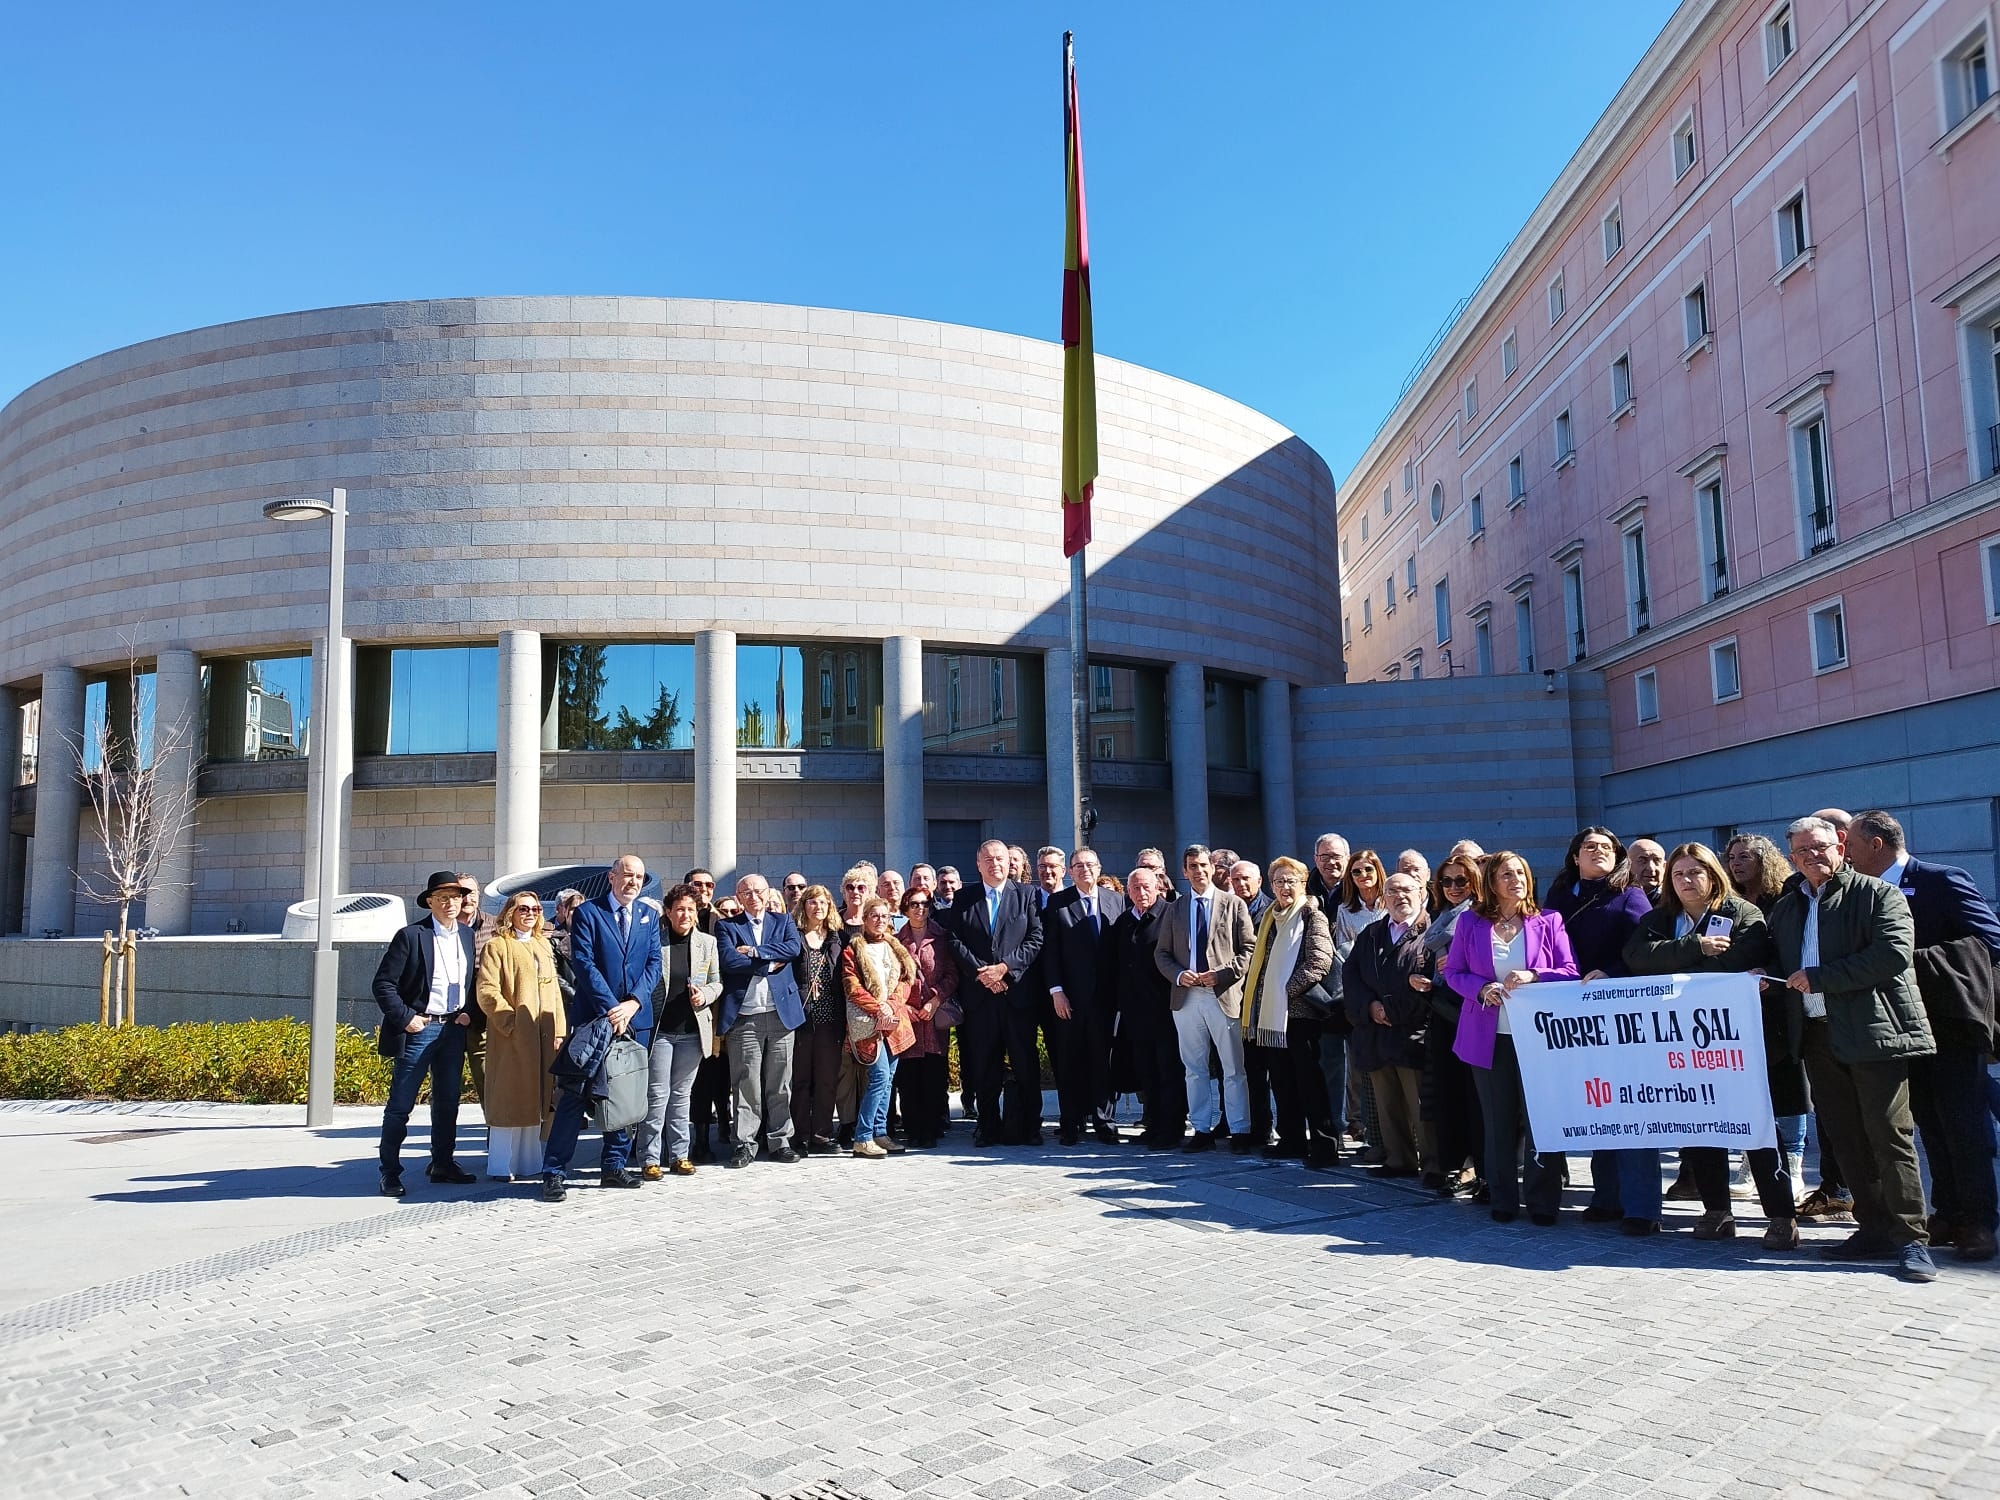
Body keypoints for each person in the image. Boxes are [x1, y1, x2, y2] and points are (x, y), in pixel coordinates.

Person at [1768, 815, 1937, 1283]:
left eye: (1820, 846)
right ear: (1791, 859)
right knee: (1845, 1140)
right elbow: (1779, 961)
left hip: (1874, 1032)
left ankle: (1911, 1239)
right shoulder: (1788, 906)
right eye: (1801, 852)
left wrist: (1821, 978)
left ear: (1840, 845)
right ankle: (1874, 1229)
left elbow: (1892, 954)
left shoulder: (1878, 894)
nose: (1812, 856)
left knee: (1889, 1135)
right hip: (1818, 1038)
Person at [1847, 809, 2000, 1262]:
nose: (1846, 856)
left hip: (1949, 1023)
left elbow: (1989, 940)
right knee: (1930, 1122)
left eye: (1851, 847)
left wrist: (1910, 960)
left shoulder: (1940, 880)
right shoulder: (1861, 893)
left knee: (1965, 1122)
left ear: (1876, 845)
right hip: (1899, 1026)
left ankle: (1980, 1221)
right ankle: (1948, 1211)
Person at [1623, 842, 1795, 1243]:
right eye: (1679, 873)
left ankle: (1782, 1215)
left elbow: (1738, 960)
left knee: (1757, 1127)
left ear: (1713, 874)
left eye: (1695, 872)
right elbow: (1636, 957)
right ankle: (1717, 1211)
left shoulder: (1742, 914)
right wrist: (1694, 947)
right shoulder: (1660, 918)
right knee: (1699, 1125)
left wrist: (1678, 967)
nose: (1686, 880)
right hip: (1682, 1045)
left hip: (1737, 1043)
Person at [1442, 851, 1578, 1225]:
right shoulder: (1470, 922)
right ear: (1491, 882)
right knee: (1497, 1121)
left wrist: (1535, 976)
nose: (1516, 879)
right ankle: (1502, 1198)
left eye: (1521, 872)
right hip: (1487, 1036)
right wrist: (1482, 987)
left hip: (1538, 1039)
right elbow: (1454, 973)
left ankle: (1544, 1201)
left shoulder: (1548, 920)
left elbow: (1570, 971)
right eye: (1506, 873)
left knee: (1540, 1121)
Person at [1544, 828, 1654, 1232]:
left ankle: (1642, 1207)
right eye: (1589, 847)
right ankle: (1607, 1197)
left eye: (1607, 848)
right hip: (1576, 1017)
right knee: (1600, 1102)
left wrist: (1612, 974)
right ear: (1575, 857)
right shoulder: (1558, 897)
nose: (1598, 852)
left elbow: (1647, 950)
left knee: (1632, 1106)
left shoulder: (1630, 895)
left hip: (1622, 1013)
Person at [540, 854, 662, 1201]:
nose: (633, 882)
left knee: (624, 1094)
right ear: (611, 877)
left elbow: (654, 964)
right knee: (574, 1097)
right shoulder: (589, 913)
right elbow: (585, 963)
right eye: (626, 875)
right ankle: (554, 1172)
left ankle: (613, 1166)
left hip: (634, 1019)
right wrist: (612, 1008)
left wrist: (633, 1003)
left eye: (639, 876)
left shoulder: (648, 916)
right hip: (595, 1019)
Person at [371, 871, 481, 1197]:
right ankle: (389, 1172)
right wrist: (406, 1018)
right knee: (400, 1105)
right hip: (420, 1029)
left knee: (447, 1103)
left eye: (456, 897)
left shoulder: (466, 935)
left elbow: (470, 983)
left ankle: (442, 1163)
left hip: (452, 1029)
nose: (450, 903)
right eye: (443, 898)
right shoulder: (411, 935)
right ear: (430, 901)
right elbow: (383, 984)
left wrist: (469, 1013)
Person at [937, 837, 1045, 1144]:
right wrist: (982, 972)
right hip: (980, 997)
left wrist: (1005, 969)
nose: (995, 864)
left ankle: (1030, 1126)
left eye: (1000, 858)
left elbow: (1035, 938)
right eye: (988, 859)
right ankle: (987, 1125)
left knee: (1025, 1064)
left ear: (1009, 863)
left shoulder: (1027, 895)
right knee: (985, 1066)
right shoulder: (964, 897)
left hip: (1017, 995)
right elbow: (955, 940)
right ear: (978, 864)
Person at [1154, 844, 1258, 1153]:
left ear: (1212, 869)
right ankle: (1200, 1128)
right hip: (1186, 997)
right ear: (1184, 872)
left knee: (1233, 1068)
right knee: (1194, 1068)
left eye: (1203, 865)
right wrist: (1178, 974)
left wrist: (1223, 974)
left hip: (1222, 995)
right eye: (1192, 867)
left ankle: (1240, 1129)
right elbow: (1161, 953)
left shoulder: (1233, 904)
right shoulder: (1174, 908)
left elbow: (1249, 949)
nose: (1198, 871)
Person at [1239, 856, 1336, 1164]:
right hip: (1270, 1017)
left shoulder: (1312, 916)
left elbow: (1319, 962)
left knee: (1310, 1083)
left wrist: (1284, 991)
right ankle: (1291, 1139)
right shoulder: (1270, 916)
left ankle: (1323, 1144)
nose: (1284, 887)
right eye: (1278, 882)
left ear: (1302, 883)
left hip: (1298, 1015)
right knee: (1281, 1081)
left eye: (1290, 881)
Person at [1343, 871, 1435, 1177]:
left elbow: (1431, 983)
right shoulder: (1371, 934)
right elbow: (1351, 976)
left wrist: (1393, 1008)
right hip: (1377, 1033)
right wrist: (1370, 1007)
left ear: (1422, 892)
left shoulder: (1432, 933)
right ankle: (1399, 1159)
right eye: (1393, 891)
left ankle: (1434, 1165)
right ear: (1384, 898)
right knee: (1388, 1104)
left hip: (1414, 1034)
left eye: (1407, 890)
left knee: (1423, 1107)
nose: (1400, 897)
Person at [473, 890, 568, 1181]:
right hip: (512, 1038)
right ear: (510, 912)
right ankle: (502, 1165)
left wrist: (560, 1031)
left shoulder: (542, 945)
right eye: (524, 909)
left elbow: (554, 991)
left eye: (536, 909)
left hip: (544, 1035)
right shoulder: (497, 946)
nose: (530, 914)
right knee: (510, 1098)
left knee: (535, 1099)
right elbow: (487, 990)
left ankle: (529, 1163)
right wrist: (510, 1022)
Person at [631, 883, 723, 1180]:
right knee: (657, 1095)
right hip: (660, 1030)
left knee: (682, 1096)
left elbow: (717, 982)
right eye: (680, 909)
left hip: (692, 1031)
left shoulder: (707, 943)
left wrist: (705, 995)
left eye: (691, 910)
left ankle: (679, 1155)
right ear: (668, 912)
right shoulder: (653, 941)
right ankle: (649, 1157)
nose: (685, 915)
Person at [715, 873, 806, 1168]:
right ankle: (744, 1143)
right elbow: (729, 961)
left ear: (768, 894)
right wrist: (770, 962)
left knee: (780, 1082)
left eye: (758, 891)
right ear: (739, 897)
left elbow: (792, 950)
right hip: (745, 1017)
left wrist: (755, 953)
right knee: (746, 1083)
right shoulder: (727, 926)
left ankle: (780, 1141)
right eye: (746, 892)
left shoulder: (783, 921)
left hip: (780, 1015)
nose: (753, 896)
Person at [1042, 847, 1128, 1144]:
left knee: (1102, 1062)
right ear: (1070, 871)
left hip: (1107, 1001)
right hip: (1070, 1000)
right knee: (1070, 1063)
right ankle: (1070, 1123)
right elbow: (1050, 953)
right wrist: (1056, 992)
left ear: (1099, 867)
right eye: (1077, 865)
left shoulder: (1117, 901)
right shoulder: (1057, 904)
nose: (1084, 870)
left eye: (1089, 864)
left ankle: (1105, 1121)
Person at [1422, 850, 1487, 1196]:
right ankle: (1455, 1166)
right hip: (1443, 1010)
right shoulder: (1441, 916)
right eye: (1446, 881)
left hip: (1471, 1011)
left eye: (1461, 880)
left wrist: (1459, 961)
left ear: (1475, 882)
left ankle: (1480, 1170)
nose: (1453, 887)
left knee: (1473, 1096)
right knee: (1448, 1095)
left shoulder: (1479, 915)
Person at [1109, 867, 1180, 1148]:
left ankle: (1171, 1127)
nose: (1141, 893)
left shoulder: (1171, 916)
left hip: (1165, 1010)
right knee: (1147, 1072)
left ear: (1158, 887)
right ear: (1128, 891)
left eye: (1146, 887)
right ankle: (1152, 1125)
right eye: (1135, 888)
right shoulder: (1124, 921)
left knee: (1168, 1071)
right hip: (1135, 1012)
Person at [843, 897, 918, 1157]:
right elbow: (852, 986)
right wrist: (878, 1008)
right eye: (874, 915)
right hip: (869, 1022)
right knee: (878, 1077)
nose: (879, 920)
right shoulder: (853, 949)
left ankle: (880, 1132)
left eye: (884, 916)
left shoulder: (895, 947)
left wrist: (893, 1004)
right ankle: (862, 1137)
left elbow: (907, 979)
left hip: (894, 1022)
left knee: (888, 1081)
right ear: (864, 919)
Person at [1336, 849, 1391, 1160]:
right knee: (1360, 1065)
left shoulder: (1390, 902)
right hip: (1360, 991)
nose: (1362, 876)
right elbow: (1343, 951)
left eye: (1368, 869)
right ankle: (1365, 1128)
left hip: (1391, 990)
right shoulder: (1346, 910)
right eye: (1356, 872)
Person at [895, 885, 960, 1147]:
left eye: (924, 904)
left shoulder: (942, 936)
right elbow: (891, 977)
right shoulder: (896, 940)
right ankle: (912, 1127)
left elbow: (953, 974)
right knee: (909, 1076)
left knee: (933, 1074)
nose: (919, 908)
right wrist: (904, 1004)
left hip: (934, 1015)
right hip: (908, 1015)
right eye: (914, 904)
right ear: (905, 908)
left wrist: (935, 999)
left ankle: (932, 1127)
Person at [790, 884, 847, 1155]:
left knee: (826, 1078)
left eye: (823, 902)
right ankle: (800, 1134)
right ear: (804, 906)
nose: (818, 907)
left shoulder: (837, 938)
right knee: (800, 1079)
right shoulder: (795, 936)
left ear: (830, 907)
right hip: (801, 1017)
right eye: (812, 902)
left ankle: (821, 1134)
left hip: (830, 1018)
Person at [1306, 833, 1353, 1141]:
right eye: (1324, 857)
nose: (1331, 862)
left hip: (1360, 986)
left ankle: (1366, 1126)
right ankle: (1333, 1124)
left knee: (1366, 1064)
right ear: (1315, 860)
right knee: (1330, 1060)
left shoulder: (1361, 888)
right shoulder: (1305, 892)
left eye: (1336, 856)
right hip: (1324, 992)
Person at [1726, 834, 1792, 913]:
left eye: (1744, 857)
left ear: (1763, 861)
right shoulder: (1728, 898)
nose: (1735, 863)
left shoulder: (1785, 896)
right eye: (1732, 857)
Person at [1626, 839, 1667, 907]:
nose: (1651, 868)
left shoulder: (1675, 900)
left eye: (1657, 861)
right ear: (1627, 865)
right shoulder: (1617, 898)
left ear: (1664, 867)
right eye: (1642, 860)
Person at [683, 869, 719, 934]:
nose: (704, 889)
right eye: (698, 884)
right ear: (686, 887)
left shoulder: (722, 917)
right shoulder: (675, 917)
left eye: (709, 885)